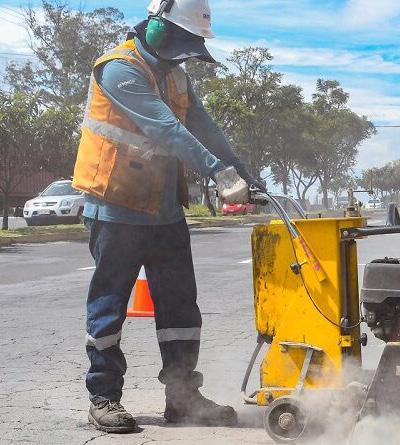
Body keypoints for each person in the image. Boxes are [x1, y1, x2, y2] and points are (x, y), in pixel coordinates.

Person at [72, 0, 266, 433]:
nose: (183, 53)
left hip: (164, 211)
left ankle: (183, 398)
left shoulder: (177, 76)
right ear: (156, 27)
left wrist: (242, 170)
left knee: (181, 306)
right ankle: (103, 397)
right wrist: (218, 173)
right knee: (109, 306)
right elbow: (166, 128)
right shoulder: (118, 69)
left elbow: (204, 127)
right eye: (180, 40)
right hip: (117, 208)